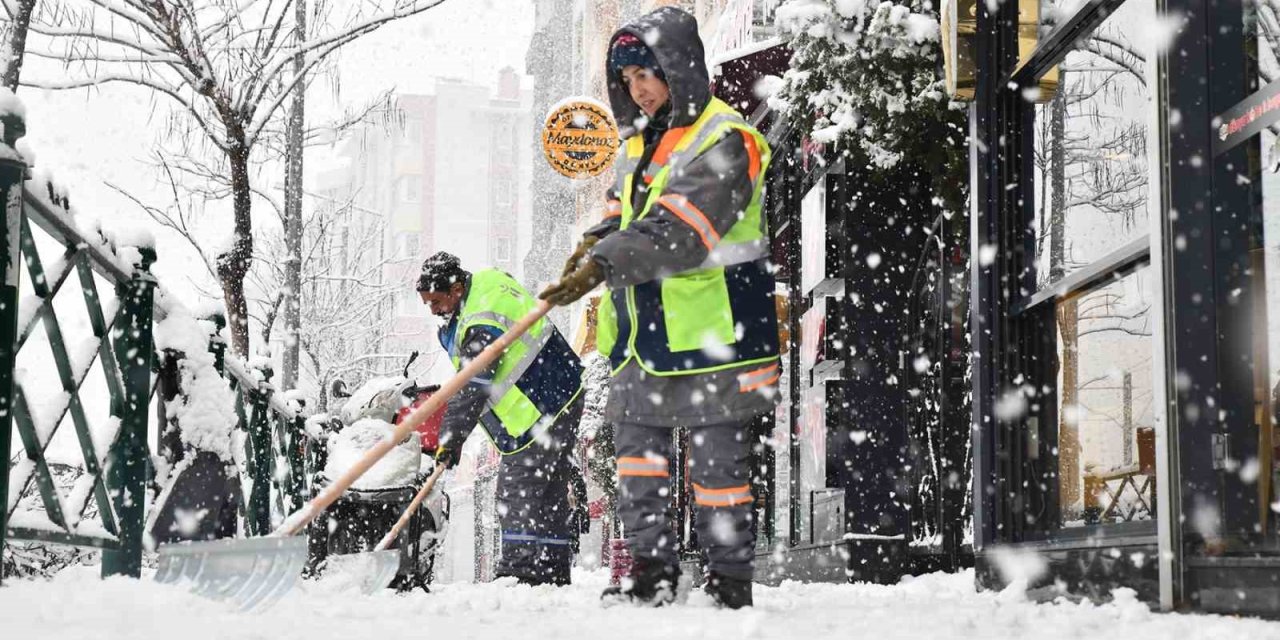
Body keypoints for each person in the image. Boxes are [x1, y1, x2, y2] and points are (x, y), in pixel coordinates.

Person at [540, 6, 778, 610]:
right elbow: (633, 218)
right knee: (637, 465)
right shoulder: (640, 147)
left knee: (719, 471)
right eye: (627, 80)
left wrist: (606, 261)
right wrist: (596, 240)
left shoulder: (729, 139)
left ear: (681, 68)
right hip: (641, 335)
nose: (638, 89)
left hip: (714, 332)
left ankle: (728, 582)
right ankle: (651, 573)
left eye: (647, 73)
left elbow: (683, 229)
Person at [418, 251, 585, 586]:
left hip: (541, 404)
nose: (433, 310)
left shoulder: (481, 315)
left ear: (455, 289)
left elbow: (474, 384)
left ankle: (518, 574)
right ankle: (552, 572)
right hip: (561, 394)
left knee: (518, 490)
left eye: (436, 301)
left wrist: (450, 440)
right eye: (427, 304)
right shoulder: (482, 289)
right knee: (549, 489)